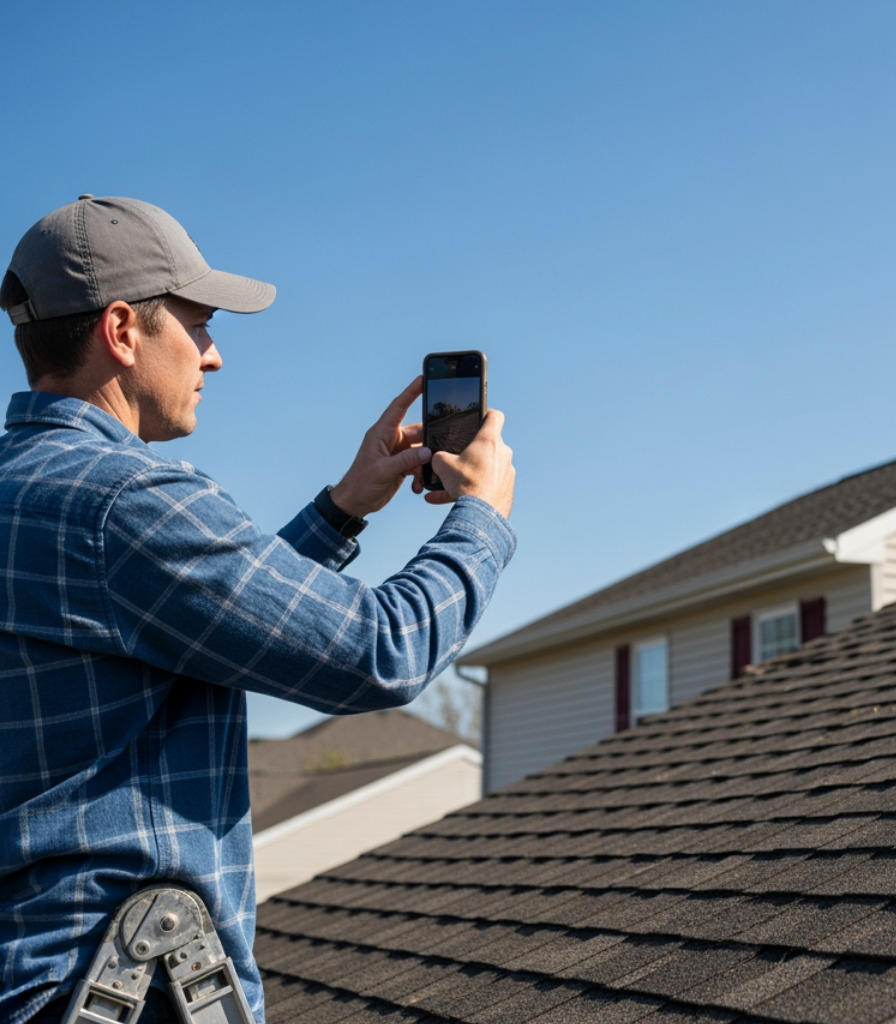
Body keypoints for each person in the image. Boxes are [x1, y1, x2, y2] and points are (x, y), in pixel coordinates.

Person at [0, 196, 517, 1023]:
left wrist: (345, 506)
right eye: (199, 326)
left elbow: (187, 612)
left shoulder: (26, 496)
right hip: (116, 991)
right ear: (124, 331)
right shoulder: (126, 502)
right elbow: (379, 651)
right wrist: (481, 520)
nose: (212, 358)